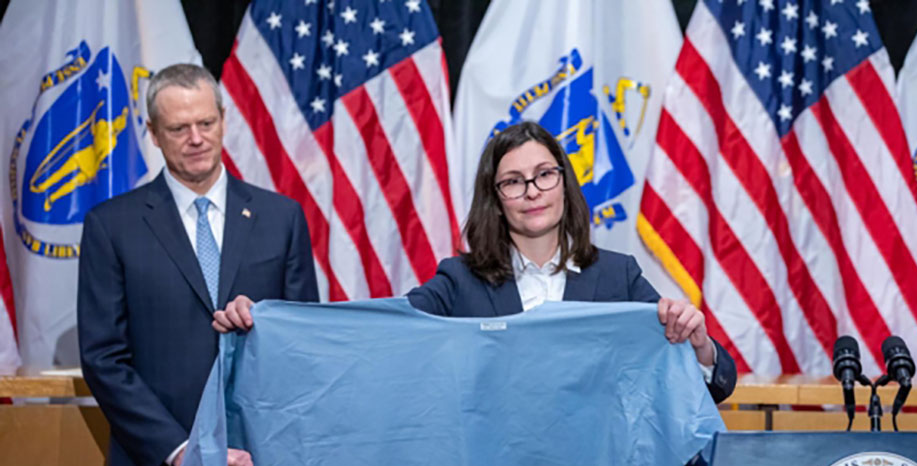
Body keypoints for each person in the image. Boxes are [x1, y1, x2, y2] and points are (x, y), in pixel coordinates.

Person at [77, 63, 319, 466]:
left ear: (223, 121)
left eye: (206, 122)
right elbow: (104, 357)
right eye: (179, 126)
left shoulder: (280, 217)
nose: (196, 138)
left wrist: (247, 450)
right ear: (152, 132)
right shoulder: (112, 225)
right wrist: (188, 453)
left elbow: (303, 347)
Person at [219, 122, 736, 402]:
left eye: (545, 174)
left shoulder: (617, 275)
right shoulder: (459, 282)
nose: (532, 191)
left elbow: (719, 385)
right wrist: (267, 320)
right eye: (513, 181)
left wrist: (699, 346)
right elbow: (377, 330)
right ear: (496, 197)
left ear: (565, 182)